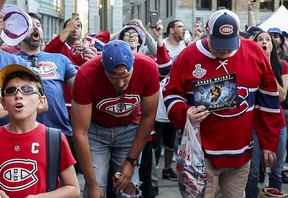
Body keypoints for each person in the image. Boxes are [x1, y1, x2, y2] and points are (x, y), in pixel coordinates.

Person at [163, 9, 281, 198]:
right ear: (208, 34)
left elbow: (268, 100)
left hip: (241, 153)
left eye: (229, 45)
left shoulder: (254, 52)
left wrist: (269, 143)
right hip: (202, 154)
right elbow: (171, 93)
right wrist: (184, 113)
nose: (225, 51)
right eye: (219, 46)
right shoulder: (188, 56)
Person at [72, 39, 159, 197]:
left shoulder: (147, 67)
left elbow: (148, 116)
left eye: (125, 76)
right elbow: (80, 132)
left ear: (133, 65)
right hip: (96, 131)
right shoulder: (86, 74)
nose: (120, 83)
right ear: (103, 68)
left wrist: (131, 161)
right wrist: (91, 183)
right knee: (96, 189)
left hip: (129, 129)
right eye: (113, 76)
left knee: (128, 186)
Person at [0, 64, 79, 197]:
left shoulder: (54, 138)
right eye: (11, 90)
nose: (18, 95)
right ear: (3, 103)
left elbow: (73, 189)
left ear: (41, 101)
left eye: (27, 89)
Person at [245, 31, 288, 196]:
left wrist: (267, 66)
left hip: (277, 124)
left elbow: (282, 95)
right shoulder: (249, 65)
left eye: (267, 40)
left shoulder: (282, 65)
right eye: (260, 39)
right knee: (253, 171)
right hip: (255, 123)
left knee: (276, 170)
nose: (264, 42)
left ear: (273, 45)